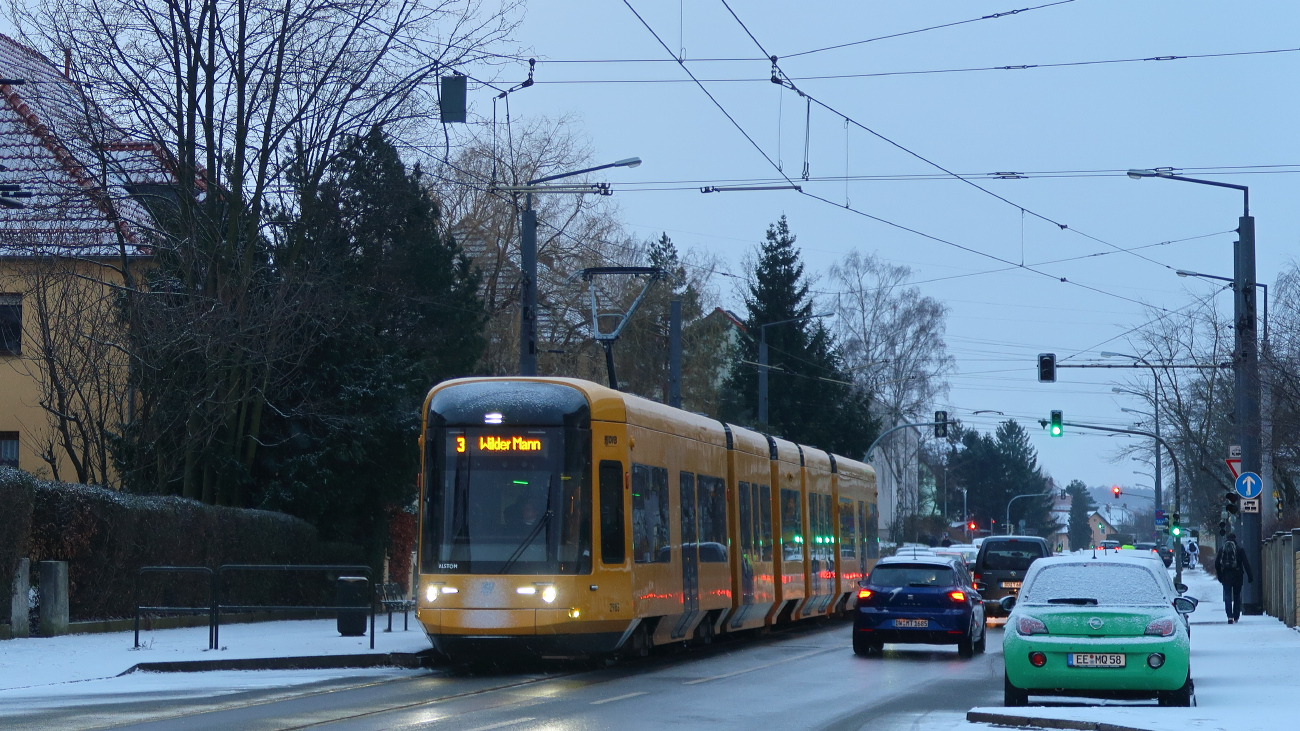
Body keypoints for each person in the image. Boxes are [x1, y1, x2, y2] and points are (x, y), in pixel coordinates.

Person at [1214, 532, 1253, 624]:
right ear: (1235, 539)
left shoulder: (1222, 550)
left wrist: (1220, 575)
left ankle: (1229, 616)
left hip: (1226, 576)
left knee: (1227, 596)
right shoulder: (1239, 550)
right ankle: (1236, 616)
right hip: (1237, 575)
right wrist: (1250, 575)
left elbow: (1217, 564)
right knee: (1236, 596)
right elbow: (1246, 564)